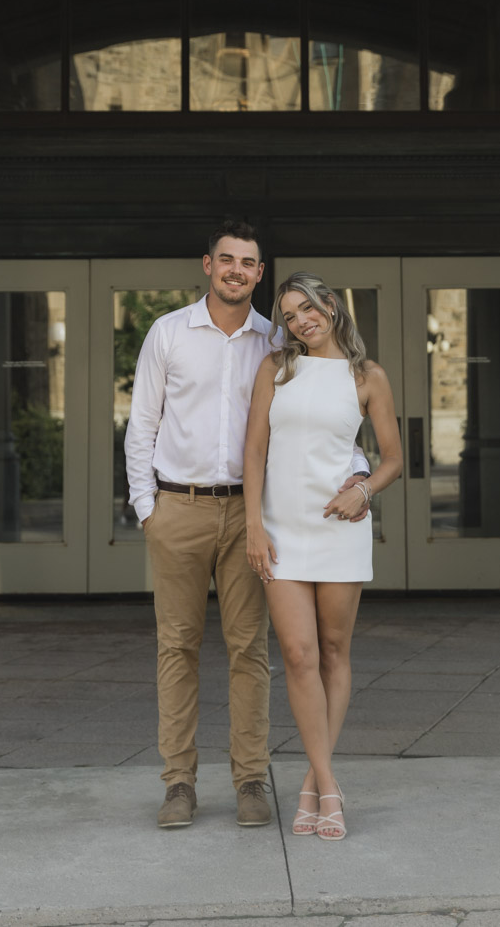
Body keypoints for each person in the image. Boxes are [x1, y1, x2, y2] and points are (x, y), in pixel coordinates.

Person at [125, 223, 372, 829]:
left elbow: (329, 417)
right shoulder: (168, 332)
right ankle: (179, 782)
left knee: (250, 651)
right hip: (178, 508)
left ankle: (251, 779)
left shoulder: (280, 342)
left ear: (260, 274)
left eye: (249, 263)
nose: (237, 270)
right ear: (207, 264)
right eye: (227, 260)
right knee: (176, 646)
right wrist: (147, 510)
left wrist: (359, 476)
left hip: (253, 514)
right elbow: (141, 424)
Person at [243, 271, 403, 842]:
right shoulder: (276, 368)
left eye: (306, 309)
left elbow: (391, 459)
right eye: (288, 316)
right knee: (296, 652)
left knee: (335, 651)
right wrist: (253, 526)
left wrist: (363, 490)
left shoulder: (367, 377)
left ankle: (315, 780)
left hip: (340, 530)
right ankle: (330, 785)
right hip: (281, 531)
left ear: (330, 307)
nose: (299, 322)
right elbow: (255, 449)